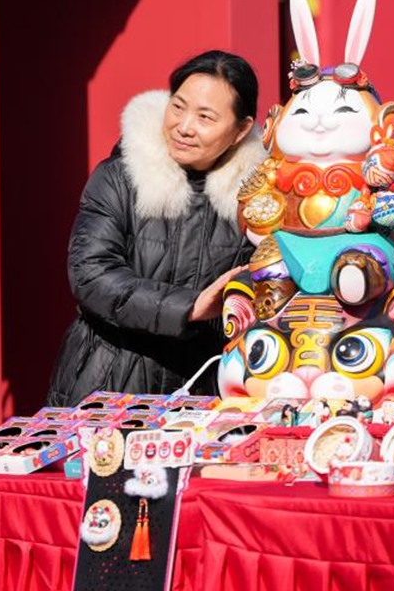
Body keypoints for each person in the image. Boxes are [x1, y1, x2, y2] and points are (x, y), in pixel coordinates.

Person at [46, 50, 266, 406]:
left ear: (241, 130)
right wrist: (191, 306)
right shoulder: (120, 176)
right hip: (106, 383)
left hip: (204, 390)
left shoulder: (257, 200)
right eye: (178, 107)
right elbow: (91, 274)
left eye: (205, 117)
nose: (183, 126)